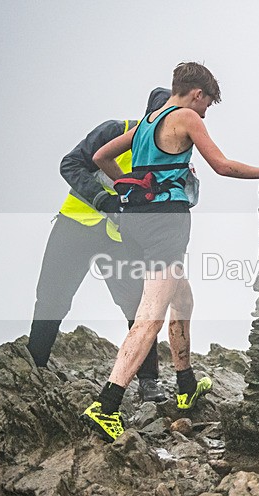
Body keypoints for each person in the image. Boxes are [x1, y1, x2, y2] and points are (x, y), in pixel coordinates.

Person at [82, 62, 259, 442]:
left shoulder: (148, 121)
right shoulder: (185, 117)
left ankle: (186, 383)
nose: (205, 112)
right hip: (166, 224)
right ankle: (107, 404)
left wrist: (135, 186)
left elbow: (101, 157)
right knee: (150, 317)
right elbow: (223, 166)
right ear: (198, 94)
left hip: (137, 220)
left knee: (183, 300)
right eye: (208, 105)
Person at [26, 87, 174, 403]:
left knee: (139, 309)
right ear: (147, 116)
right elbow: (70, 164)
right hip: (75, 226)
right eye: (157, 119)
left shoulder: (171, 153)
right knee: (52, 298)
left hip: (123, 240)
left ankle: (149, 383)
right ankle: (34, 366)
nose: (161, 127)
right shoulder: (114, 131)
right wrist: (101, 198)